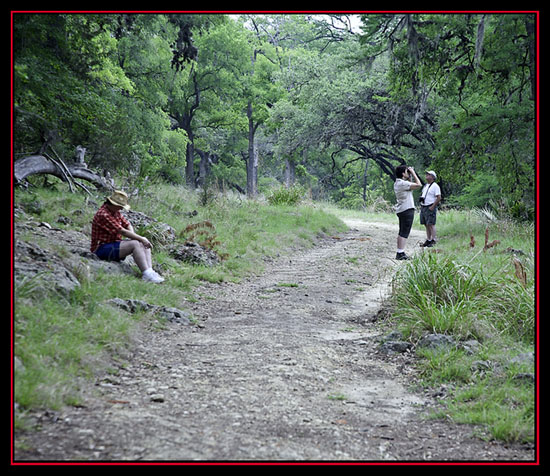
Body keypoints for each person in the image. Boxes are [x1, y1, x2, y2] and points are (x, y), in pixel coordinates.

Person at [90, 190, 164, 283]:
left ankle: (150, 272)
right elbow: (122, 231)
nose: (121, 209)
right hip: (101, 248)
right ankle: (146, 274)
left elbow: (127, 224)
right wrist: (139, 238)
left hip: (113, 244)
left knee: (140, 242)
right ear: (114, 204)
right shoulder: (103, 214)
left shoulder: (115, 212)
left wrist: (135, 237)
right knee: (136, 244)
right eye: (120, 206)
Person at [393, 165, 422, 260]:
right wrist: (413, 172)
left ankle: (400, 251)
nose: (408, 173)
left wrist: (409, 176)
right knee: (404, 232)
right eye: (407, 171)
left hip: (402, 209)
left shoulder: (398, 183)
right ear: (403, 174)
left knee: (402, 231)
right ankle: (400, 253)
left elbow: (411, 185)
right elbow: (418, 184)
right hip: (406, 209)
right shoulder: (402, 184)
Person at [419, 170, 442, 247]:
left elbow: (439, 197)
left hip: (430, 206)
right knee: (426, 224)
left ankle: (433, 240)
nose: (426, 175)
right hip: (424, 206)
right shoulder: (426, 186)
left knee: (431, 224)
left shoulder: (435, 186)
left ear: (432, 177)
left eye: (428, 174)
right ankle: (428, 239)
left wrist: (433, 206)